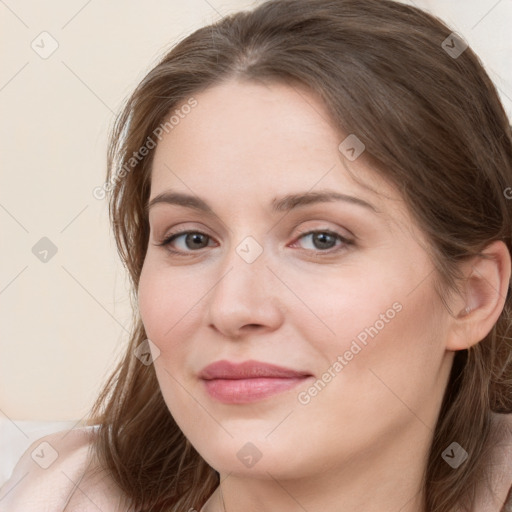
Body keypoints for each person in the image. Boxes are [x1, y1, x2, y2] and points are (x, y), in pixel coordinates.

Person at [1, 0, 511, 510]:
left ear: (473, 296)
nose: (233, 308)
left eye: (321, 239)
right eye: (191, 238)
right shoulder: (49, 495)